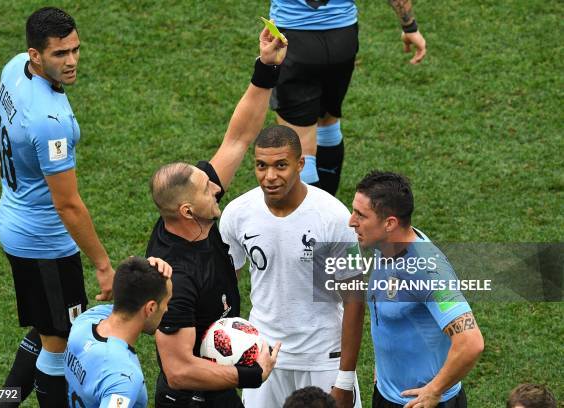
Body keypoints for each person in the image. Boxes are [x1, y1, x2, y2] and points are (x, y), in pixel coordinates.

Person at [145, 27, 287, 407]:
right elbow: (178, 370)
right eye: (206, 188)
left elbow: (238, 138)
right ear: (187, 211)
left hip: (217, 389)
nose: (216, 186)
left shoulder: (194, 216)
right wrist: (250, 375)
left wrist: (266, 69)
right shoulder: (174, 279)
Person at [0, 7, 114, 407]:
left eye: (75, 49)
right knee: (61, 341)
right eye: (61, 54)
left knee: (50, 325)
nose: (72, 61)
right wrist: (102, 265)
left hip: (12, 217)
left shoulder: (13, 69)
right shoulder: (51, 119)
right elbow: (69, 205)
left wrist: (12, 188)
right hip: (44, 244)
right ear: (36, 55)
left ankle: (2, 401)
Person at [219, 125, 364, 408]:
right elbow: (224, 286)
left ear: (300, 164)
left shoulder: (333, 217)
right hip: (262, 355)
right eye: (262, 166)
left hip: (323, 356)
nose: (270, 176)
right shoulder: (237, 214)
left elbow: (355, 299)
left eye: (281, 165)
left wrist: (345, 378)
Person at [348, 171, 484, 408]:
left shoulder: (428, 272)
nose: (351, 221)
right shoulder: (386, 245)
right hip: (386, 395)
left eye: (361, 215)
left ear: (390, 223)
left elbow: (471, 343)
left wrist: (434, 390)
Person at [269, 0, 427, 196]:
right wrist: (409, 26)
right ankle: (327, 207)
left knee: (300, 143)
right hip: (342, 40)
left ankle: (310, 222)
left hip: (293, 39)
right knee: (328, 124)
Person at [65, 256, 173, 408]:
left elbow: (129, 285)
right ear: (151, 308)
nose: (167, 309)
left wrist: (144, 267)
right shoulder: (123, 379)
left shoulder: (86, 320)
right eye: (166, 303)